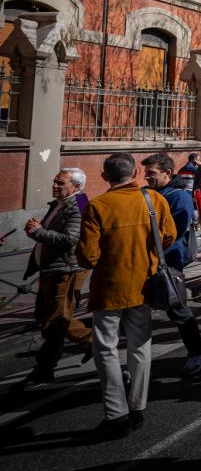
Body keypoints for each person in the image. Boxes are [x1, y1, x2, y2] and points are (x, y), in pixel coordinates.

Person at [75, 153, 175, 441]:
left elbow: (88, 256)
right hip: (145, 284)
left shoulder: (98, 206)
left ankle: (116, 412)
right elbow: (169, 235)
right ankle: (137, 407)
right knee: (140, 346)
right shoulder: (154, 200)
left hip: (109, 287)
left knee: (105, 349)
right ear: (134, 173)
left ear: (105, 176)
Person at [17, 168, 93, 392]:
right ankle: (93, 340)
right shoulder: (61, 203)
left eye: (60, 183)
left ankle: (44, 369)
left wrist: (39, 232)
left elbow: (71, 239)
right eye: (55, 182)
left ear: (76, 187)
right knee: (44, 315)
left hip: (66, 270)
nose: (55, 186)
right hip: (51, 269)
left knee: (56, 321)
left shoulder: (77, 207)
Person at [140, 154, 201, 377]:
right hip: (144, 261)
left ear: (167, 174)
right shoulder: (149, 194)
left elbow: (173, 234)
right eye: (146, 172)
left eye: (152, 173)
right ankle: (137, 361)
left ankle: (197, 352)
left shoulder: (179, 197)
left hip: (168, 263)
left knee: (177, 309)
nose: (147, 177)